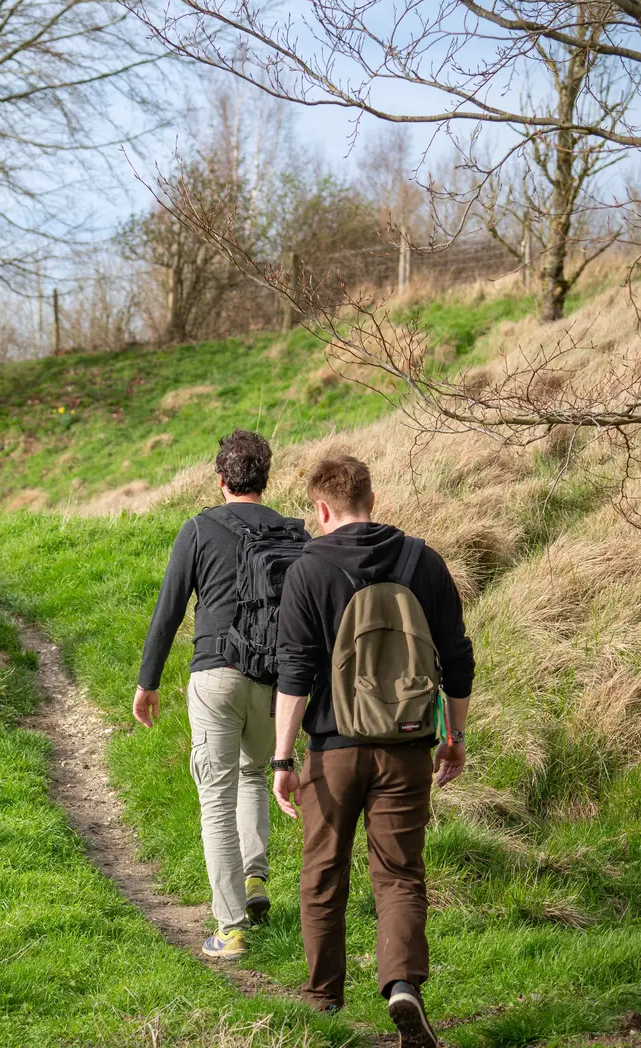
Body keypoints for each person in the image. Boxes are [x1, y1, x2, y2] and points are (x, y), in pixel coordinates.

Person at [270, 455, 473, 1047]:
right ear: (373, 500)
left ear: (322, 509)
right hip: (407, 745)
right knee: (400, 873)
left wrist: (284, 759)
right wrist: (454, 737)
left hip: (333, 750)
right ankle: (403, 984)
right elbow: (457, 657)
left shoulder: (307, 570)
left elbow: (295, 670)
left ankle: (322, 1000)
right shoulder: (422, 562)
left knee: (323, 871)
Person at [134, 429, 306, 960]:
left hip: (216, 675)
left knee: (216, 797)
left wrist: (148, 681)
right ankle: (256, 878)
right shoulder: (295, 534)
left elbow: (168, 609)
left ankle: (229, 928)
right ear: (266, 477)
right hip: (276, 680)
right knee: (256, 772)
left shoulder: (199, 529)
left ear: (220, 477)